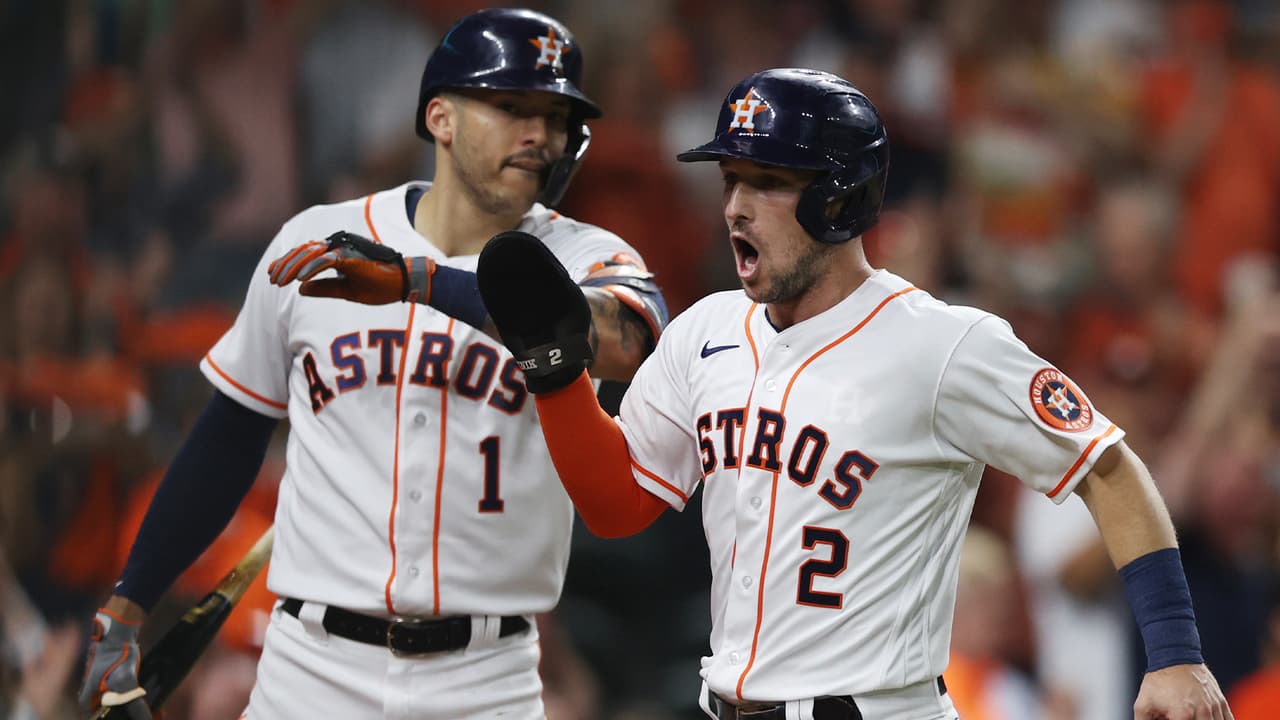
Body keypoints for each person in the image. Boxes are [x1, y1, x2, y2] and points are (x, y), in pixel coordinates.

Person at [473, 68, 1235, 720]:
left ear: (840, 200)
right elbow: (617, 504)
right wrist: (558, 378)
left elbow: (1108, 468)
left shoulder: (941, 344)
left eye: (767, 182)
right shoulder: (705, 330)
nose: (735, 205)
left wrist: (1174, 653)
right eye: (730, 178)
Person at [79, 8, 666, 719]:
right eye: (513, 107)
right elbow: (227, 441)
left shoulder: (591, 257)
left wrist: (420, 284)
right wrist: (127, 605)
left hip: (486, 679)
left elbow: (623, 341)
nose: (539, 134)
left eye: (556, 115)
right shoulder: (317, 241)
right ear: (441, 119)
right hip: (309, 671)